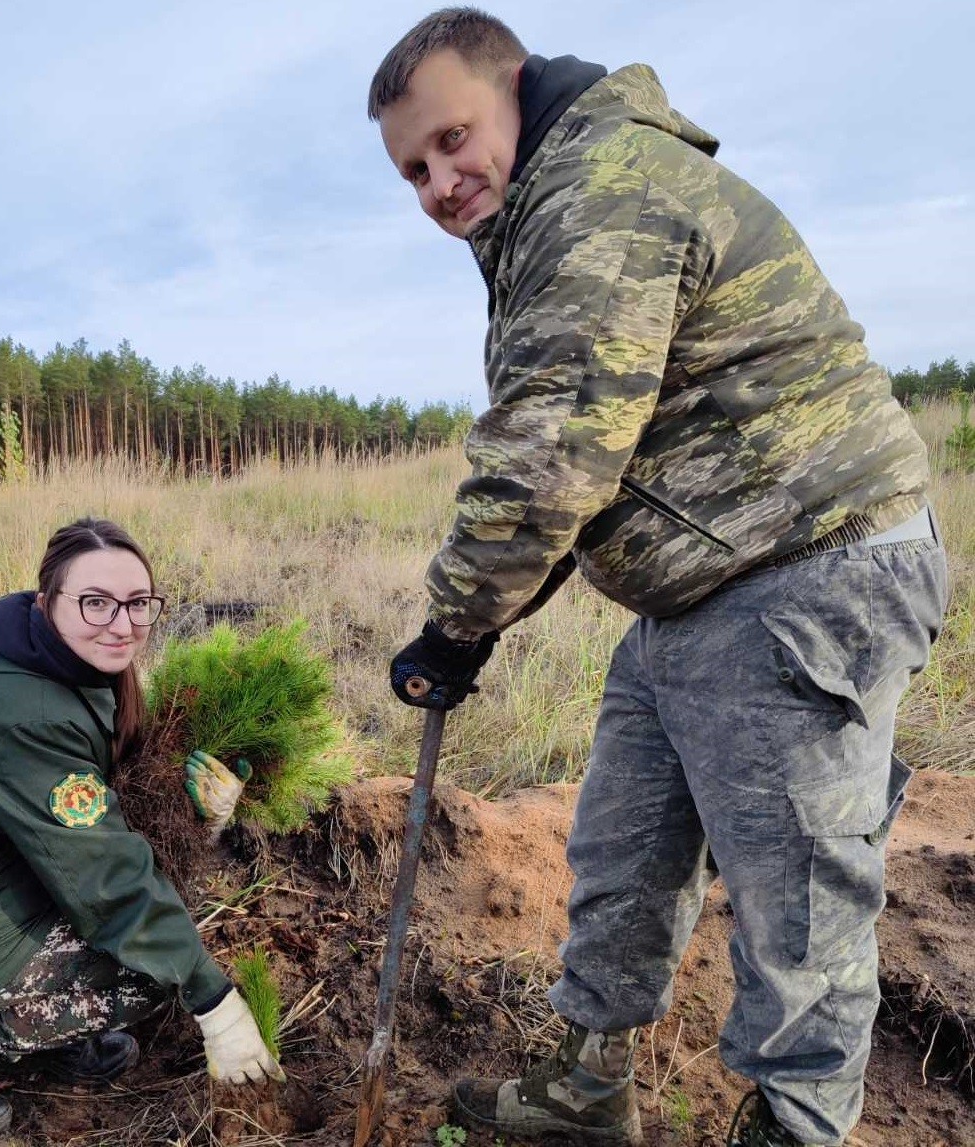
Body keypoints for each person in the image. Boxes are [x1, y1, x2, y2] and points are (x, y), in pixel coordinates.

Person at [371, 9, 949, 1147]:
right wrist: (479, 627)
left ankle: (795, 1126)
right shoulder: (544, 211)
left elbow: (549, 458)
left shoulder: (596, 194)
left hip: (804, 568)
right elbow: (587, 465)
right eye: (413, 170)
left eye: (453, 138)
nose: (439, 182)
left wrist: (453, 630)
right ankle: (589, 1090)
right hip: (699, 584)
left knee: (800, 903)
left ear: (516, 91)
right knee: (621, 852)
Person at [0, 518, 283, 1142]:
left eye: (137, 604)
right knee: (145, 973)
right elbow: (105, 876)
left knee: (145, 930)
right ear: (48, 601)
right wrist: (216, 1003)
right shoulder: (29, 713)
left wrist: (201, 813)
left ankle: (54, 1038)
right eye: (96, 602)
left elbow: (109, 807)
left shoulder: (67, 664)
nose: (122, 623)